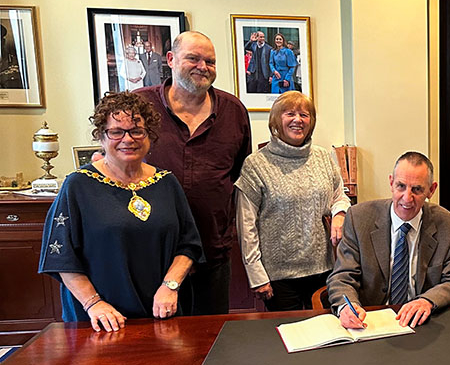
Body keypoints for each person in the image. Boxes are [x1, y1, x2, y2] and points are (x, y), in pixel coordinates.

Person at [38, 91, 203, 331]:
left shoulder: (167, 182)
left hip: (164, 312)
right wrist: (94, 304)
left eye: (137, 131)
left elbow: (189, 245)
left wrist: (170, 286)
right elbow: (62, 257)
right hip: (100, 319)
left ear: (149, 136)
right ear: (101, 137)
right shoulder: (78, 185)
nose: (128, 139)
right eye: (116, 132)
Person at [136, 31, 252, 315]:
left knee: (211, 342)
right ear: (171, 60)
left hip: (211, 251)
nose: (203, 67)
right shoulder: (139, 106)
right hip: (152, 254)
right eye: (194, 58)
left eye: (210, 61)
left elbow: (237, 171)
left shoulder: (233, 111)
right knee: (154, 344)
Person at [235, 91, 351, 310]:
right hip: (278, 277)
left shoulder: (324, 157)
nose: (298, 120)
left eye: (304, 115)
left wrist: (340, 213)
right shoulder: (256, 165)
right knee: (290, 337)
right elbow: (246, 225)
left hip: (322, 270)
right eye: (290, 113)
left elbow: (339, 195)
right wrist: (256, 274)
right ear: (277, 120)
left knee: (325, 332)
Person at [327, 152, 450, 328]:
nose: (407, 198)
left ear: (431, 190)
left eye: (417, 189)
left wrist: (427, 301)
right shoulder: (359, 218)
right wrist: (346, 307)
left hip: (421, 323)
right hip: (371, 322)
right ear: (391, 183)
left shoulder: (448, 226)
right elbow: (342, 275)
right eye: (401, 186)